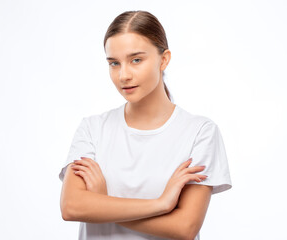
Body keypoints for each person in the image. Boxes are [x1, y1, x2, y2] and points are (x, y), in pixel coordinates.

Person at [59, 10, 232, 240]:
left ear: (164, 59)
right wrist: (161, 204)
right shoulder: (92, 129)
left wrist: (104, 203)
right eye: (114, 63)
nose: (123, 75)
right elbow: (72, 207)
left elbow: (185, 227)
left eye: (136, 60)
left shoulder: (200, 132)